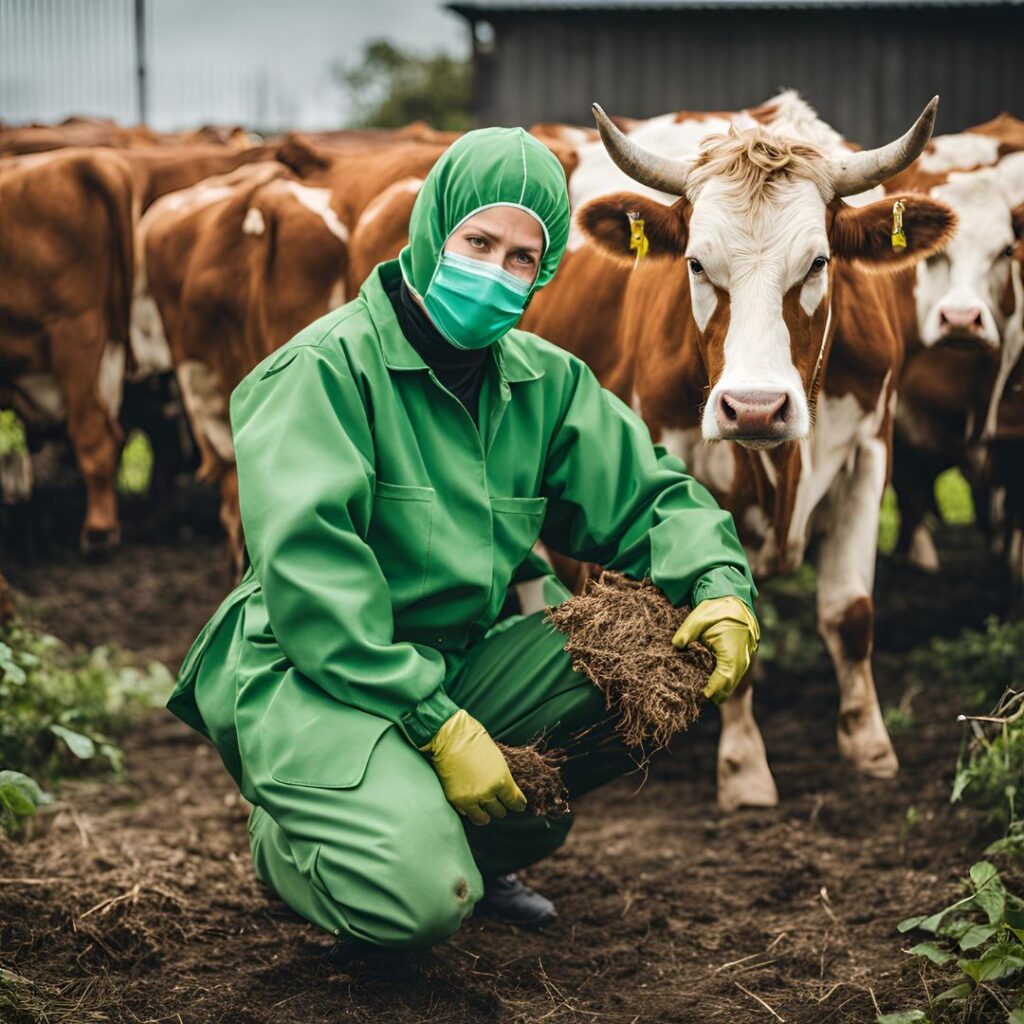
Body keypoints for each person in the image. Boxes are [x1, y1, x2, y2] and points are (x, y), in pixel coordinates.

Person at [167, 126, 759, 952]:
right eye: (477, 241)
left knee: (666, 639)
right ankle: (295, 841)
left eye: (522, 257)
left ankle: (463, 836)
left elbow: (652, 496)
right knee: (422, 904)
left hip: (453, 659)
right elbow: (312, 587)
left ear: (545, 271)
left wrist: (722, 585)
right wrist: (439, 726)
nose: (494, 271)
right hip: (318, 673)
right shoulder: (324, 370)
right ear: (431, 228)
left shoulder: (544, 382)